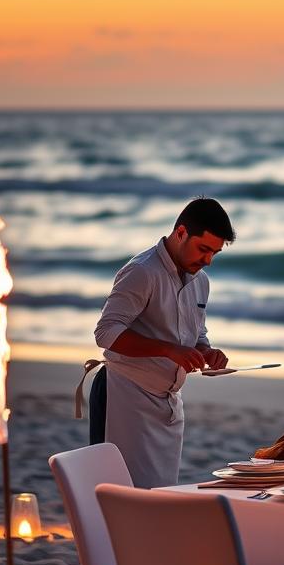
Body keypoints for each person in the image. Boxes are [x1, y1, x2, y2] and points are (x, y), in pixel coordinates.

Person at [93, 195, 235, 489]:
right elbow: (106, 332)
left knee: (160, 495)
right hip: (124, 397)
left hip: (168, 403)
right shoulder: (142, 271)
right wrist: (169, 350)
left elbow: (195, 334)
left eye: (215, 253)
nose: (208, 260)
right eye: (203, 249)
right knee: (124, 500)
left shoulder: (201, 281)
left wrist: (207, 352)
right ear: (181, 232)